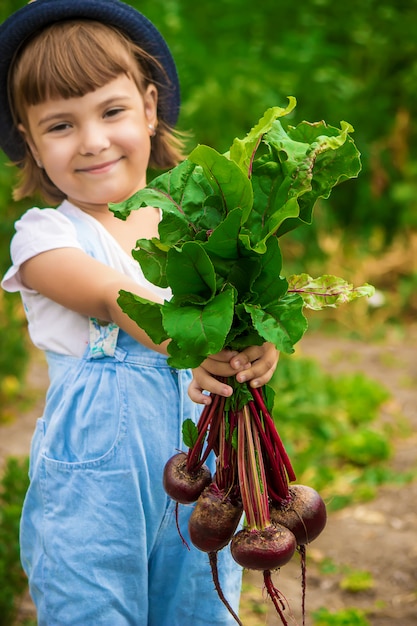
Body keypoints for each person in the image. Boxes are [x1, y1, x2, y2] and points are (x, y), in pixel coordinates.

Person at [0, 1, 279, 624]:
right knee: (92, 603)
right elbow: (110, 295)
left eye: (112, 111)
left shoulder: (196, 229)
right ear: (31, 142)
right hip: (96, 492)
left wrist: (254, 345)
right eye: (60, 125)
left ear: (149, 109)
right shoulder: (45, 235)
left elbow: (245, 314)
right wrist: (192, 330)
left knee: (201, 603)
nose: (93, 141)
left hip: (205, 470)